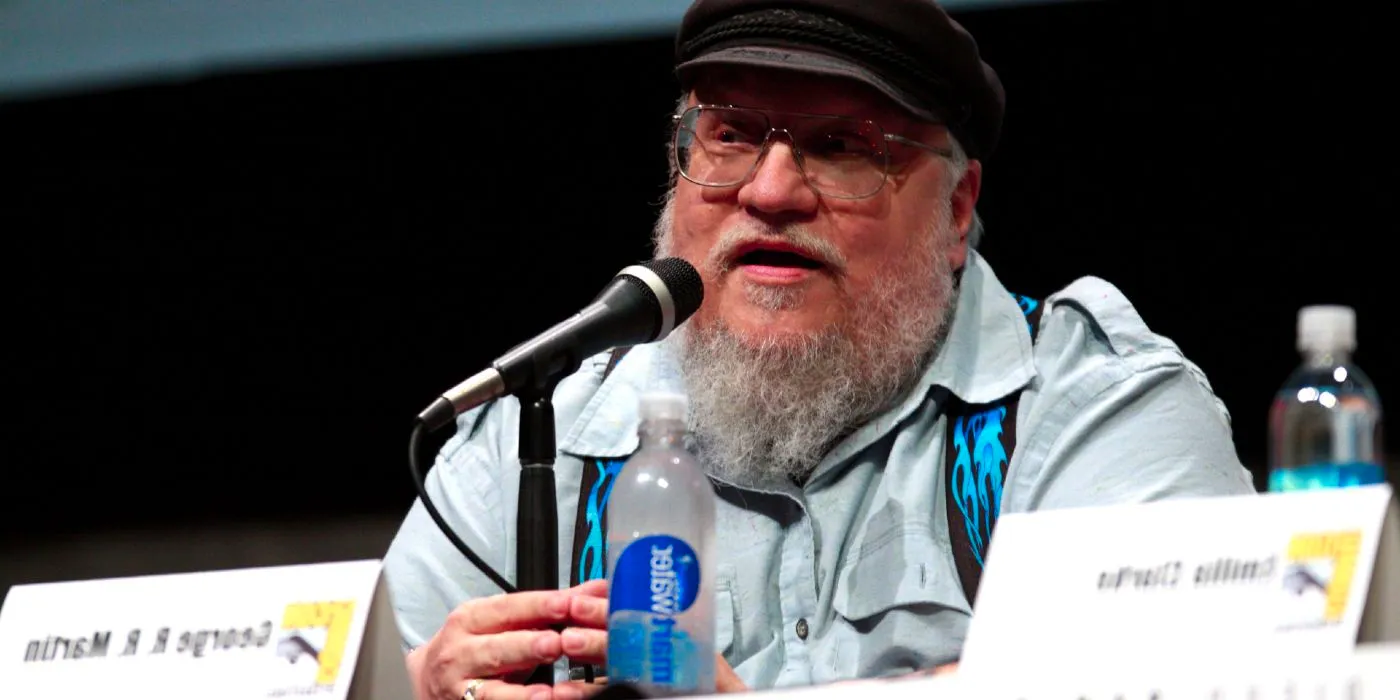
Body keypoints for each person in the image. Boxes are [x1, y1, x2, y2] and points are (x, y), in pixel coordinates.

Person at [382, 1, 1257, 698]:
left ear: (957, 210)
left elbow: (1168, 674)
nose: (769, 191)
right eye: (728, 135)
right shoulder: (542, 434)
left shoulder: (1091, 407)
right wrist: (420, 686)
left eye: (841, 147)